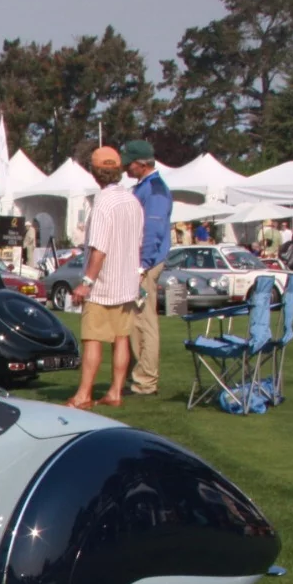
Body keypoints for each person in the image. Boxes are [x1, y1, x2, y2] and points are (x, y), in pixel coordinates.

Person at [67, 146, 143, 411]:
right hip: (127, 283)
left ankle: (83, 394)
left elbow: (99, 248)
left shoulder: (102, 203)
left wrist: (86, 282)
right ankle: (115, 391)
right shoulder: (133, 201)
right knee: (121, 338)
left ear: (95, 173)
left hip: (104, 284)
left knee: (92, 338)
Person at [122, 140, 171, 397]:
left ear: (142, 164)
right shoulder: (147, 188)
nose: (125, 167)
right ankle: (138, 377)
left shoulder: (155, 190)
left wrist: (142, 264)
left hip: (145, 263)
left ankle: (145, 381)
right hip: (142, 262)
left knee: (144, 321)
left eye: (129, 163)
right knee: (136, 321)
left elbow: (153, 230)